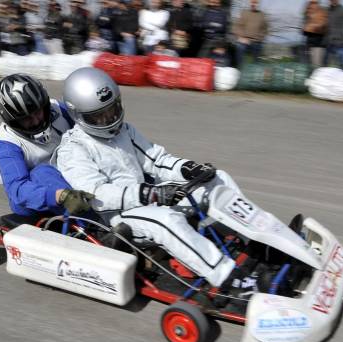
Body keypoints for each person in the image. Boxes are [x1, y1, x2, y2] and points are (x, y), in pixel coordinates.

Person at [54, 68, 257, 291]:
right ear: (78, 115)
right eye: (99, 115)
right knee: (166, 219)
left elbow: (158, 161)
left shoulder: (124, 131)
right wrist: (147, 194)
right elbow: (96, 194)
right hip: (117, 217)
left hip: (149, 196)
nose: (109, 118)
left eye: (112, 110)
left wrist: (188, 168)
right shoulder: (72, 149)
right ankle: (229, 278)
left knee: (218, 179)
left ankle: (254, 235)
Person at [0, 73, 93, 217]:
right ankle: (94, 224)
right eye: (27, 119)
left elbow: (91, 131)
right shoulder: (7, 144)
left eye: (38, 112)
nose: (36, 120)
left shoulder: (58, 110)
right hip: (35, 198)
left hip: (71, 172)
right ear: (12, 121)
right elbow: (17, 189)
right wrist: (60, 196)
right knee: (42, 172)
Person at [232, 0, 268, 67]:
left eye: (256, 3)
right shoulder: (244, 13)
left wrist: (259, 38)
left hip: (256, 41)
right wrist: (242, 37)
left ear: (258, 4)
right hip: (244, 40)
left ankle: (256, 71)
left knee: (258, 51)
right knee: (239, 47)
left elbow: (265, 30)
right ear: (250, 3)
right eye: (252, 2)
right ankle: (240, 68)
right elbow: (237, 26)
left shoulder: (262, 15)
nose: (254, 4)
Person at [324, 0, 343, 70]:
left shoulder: (342, 10)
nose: (333, 1)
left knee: (342, 65)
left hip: (340, 41)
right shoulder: (327, 10)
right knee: (325, 65)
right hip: (329, 41)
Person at [302, 0, 327, 67]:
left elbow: (322, 26)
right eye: (311, 3)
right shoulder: (307, 14)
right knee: (310, 65)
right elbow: (304, 30)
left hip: (319, 44)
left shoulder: (322, 11)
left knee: (317, 65)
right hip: (309, 43)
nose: (312, 5)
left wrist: (312, 26)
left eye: (314, 3)